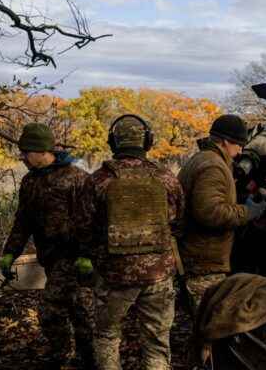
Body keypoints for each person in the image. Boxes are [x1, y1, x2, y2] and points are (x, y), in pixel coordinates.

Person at [80, 115, 184, 370]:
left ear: (112, 143)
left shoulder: (97, 181)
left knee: (106, 337)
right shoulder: (167, 179)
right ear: (148, 142)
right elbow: (179, 221)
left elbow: (83, 229)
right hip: (158, 277)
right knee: (156, 343)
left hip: (113, 276)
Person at [0, 122, 95, 370]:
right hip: (52, 260)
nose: (22, 157)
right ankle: (63, 355)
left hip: (76, 259)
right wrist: (10, 252)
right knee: (61, 313)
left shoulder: (77, 179)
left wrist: (87, 255)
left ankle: (86, 358)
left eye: (26, 152)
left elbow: (92, 220)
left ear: (42, 151)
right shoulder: (29, 182)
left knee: (77, 312)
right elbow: (23, 221)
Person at [177, 114, 266, 313]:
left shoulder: (202, 159)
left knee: (203, 327)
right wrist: (247, 212)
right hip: (204, 262)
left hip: (196, 256)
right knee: (211, 327)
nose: (241, 151)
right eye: (238, 145)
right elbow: (210, 212)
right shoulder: (213, 166)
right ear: (226, 141)